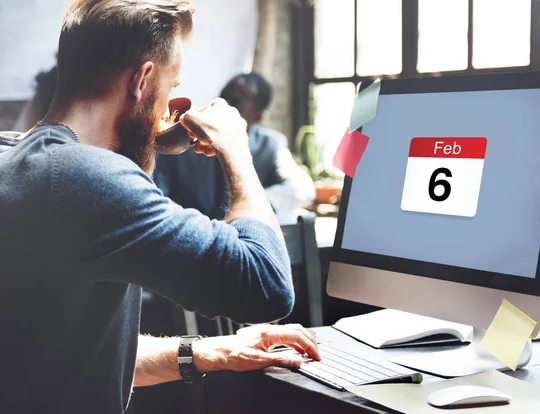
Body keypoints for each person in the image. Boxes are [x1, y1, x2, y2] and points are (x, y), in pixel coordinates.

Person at [0, 1, 319, 413]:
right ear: (142, 79)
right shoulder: (87, 178)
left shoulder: (16, 157)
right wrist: (236, 151)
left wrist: (215, 351)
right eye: (171, 87)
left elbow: (65, 354)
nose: (168, 105)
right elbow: (267, 286)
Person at [154, 72, 315, 223]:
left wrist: (248, 205)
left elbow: (302, 189)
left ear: (257, 117)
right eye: (223, 96)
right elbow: (157, 196)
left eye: (236, 102)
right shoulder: (182, 140)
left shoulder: (270, 145)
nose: (224, 105)